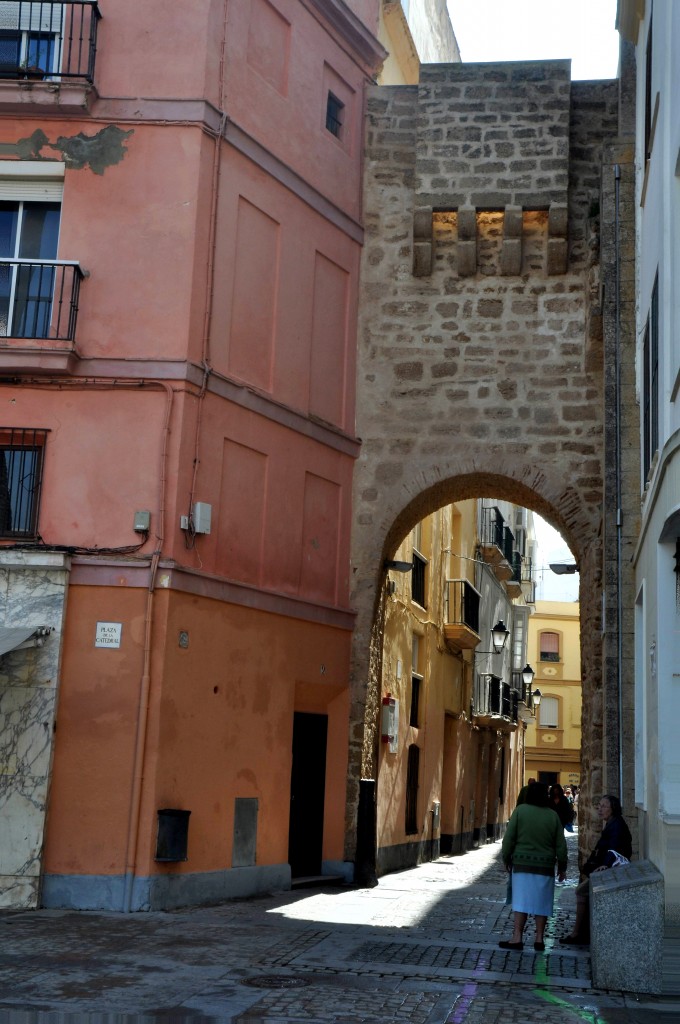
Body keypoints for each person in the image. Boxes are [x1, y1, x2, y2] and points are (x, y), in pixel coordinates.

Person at [499, 781, 568, 952]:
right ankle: (539, 939)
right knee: (542, 902)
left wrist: (506, 858)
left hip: (522, 865)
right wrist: (563, 866)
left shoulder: (520, 811)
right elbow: (561, 844)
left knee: (520, 901)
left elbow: (509, 838)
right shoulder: (552, 816)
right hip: (545, 866)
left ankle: (517, 937)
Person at [561, 793, 632, 945]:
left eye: (604, 806)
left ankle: (578, 934)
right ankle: (581, 932)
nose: (600, 809)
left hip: (612, 870)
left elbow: (614, 848)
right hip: (609, 869)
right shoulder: (612, 823)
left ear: (612, 809)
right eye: (599, 806)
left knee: (581, 892)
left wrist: (605, 864)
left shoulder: (616, 825)